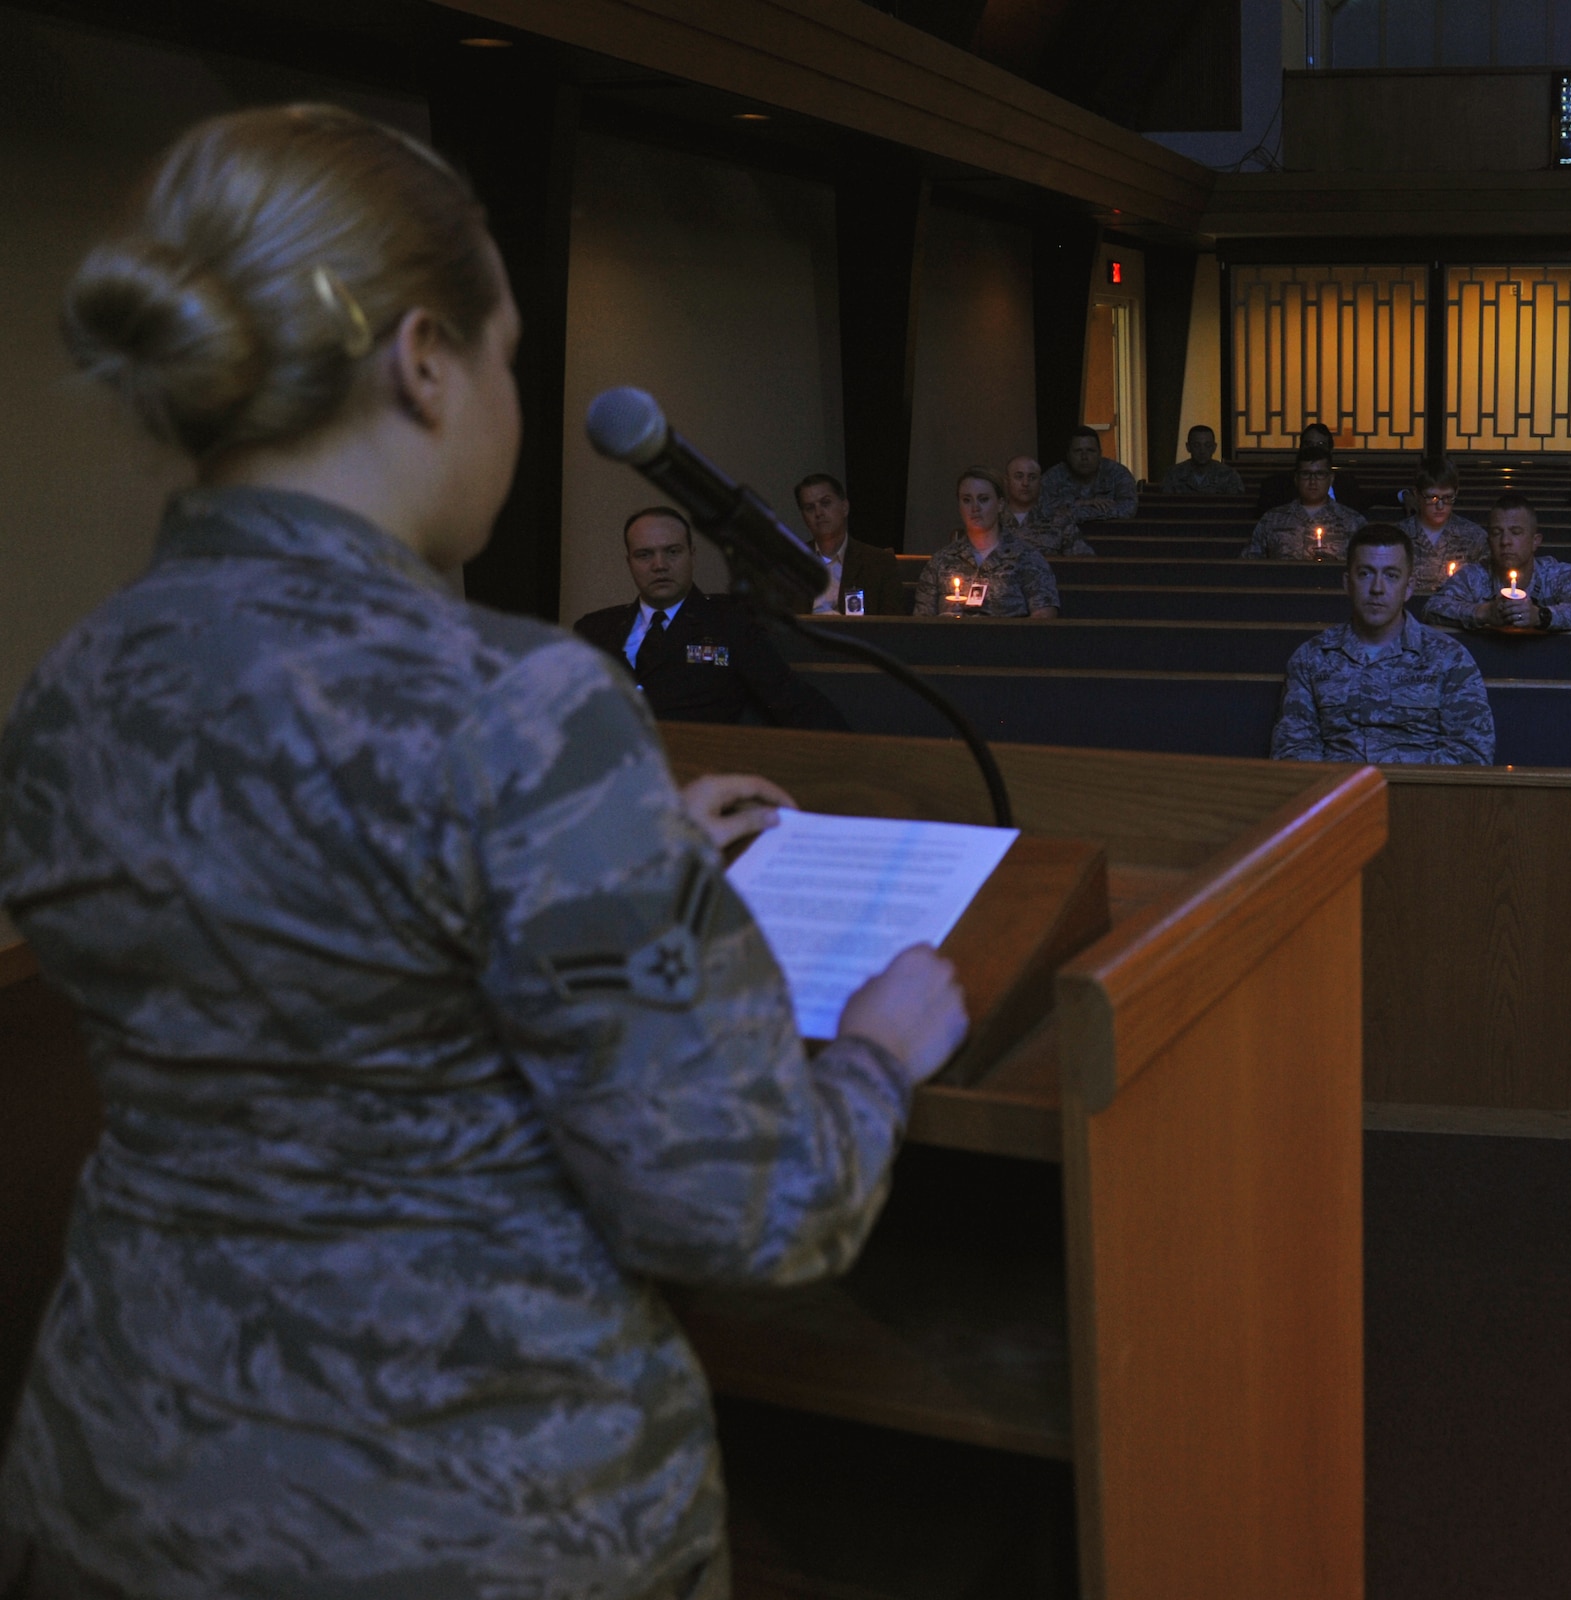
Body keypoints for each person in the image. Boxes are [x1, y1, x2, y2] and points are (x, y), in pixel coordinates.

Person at [0, 104, 970, 1600]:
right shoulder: (522, 704)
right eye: (512, 356)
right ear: (425, 361)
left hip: (124, 1469)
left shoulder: (69, 686)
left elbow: (318, 950)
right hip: (467, 1507)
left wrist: (633, 855)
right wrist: (883, 1059)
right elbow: (746, 1208)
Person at [573, 508, 848, 728]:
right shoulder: (594, 630)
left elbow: (792, 703)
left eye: (672, 552)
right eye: (644, 555)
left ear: (692, 555)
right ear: (629, 562)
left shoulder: (730, 622)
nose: (659, 565)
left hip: (696, 773)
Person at [1270, 524, 1495, 765]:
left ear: (1409, 587)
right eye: (1365, 573)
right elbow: (1293, 751)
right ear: (1347, 583)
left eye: (1391, 575)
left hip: (1420, 796)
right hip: (1337, 796)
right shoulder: (1311, 658)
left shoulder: (1450, 658)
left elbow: (1472, 753)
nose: (1377, 589)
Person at [1424, 491, 1571, 632]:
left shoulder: (1559, 575)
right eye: (1496, 533)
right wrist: (1484, 612)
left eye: (1515, 532)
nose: (1505, 541)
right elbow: (1432, 609)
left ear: (1535, 541)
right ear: (1488, 541)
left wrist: (1539, 616)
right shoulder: (1473, 576)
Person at [915, 466, 1060, 617]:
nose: (975, 508)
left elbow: (1044, 618)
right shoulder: (941, 561)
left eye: (983, 499)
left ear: (1000, 504)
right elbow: (921, 622)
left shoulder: (1026, 558)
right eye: (967, 500)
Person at [792, 472, 909, 614]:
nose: (818, 513)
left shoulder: (878, 563)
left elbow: (893, 625)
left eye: (825, 503)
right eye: (810, 508)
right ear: (803, 516)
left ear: (844, 507)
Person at [1240, 448, 1364, 561]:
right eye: (1306, 474)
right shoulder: (1273, 519)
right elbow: (1251, 562)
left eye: (1319, 474)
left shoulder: (1352, 522)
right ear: (1296, 479)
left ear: (1330, 478)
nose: (1312, 481)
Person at [1397, 458, 1491, 594]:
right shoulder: (1400, 537)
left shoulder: (1474, 537)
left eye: (1447, 498)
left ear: (1456, 493)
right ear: (1417, 494)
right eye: (1432, 498)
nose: (1440, 506)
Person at [1037, 426, 1136, 523]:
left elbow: (1128, 509)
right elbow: (1041, 509)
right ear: (1068, 454)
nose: (1084, 457)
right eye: (1078, 451)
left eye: (1090, 451)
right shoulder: (1053, 476)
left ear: (1100, 454)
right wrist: (1082, 503)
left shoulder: (1118, 473)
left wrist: (1072, 509)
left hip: (1109, 534)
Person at [1001, 454, 1093, 555]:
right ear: (1007, 481)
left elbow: (1085, 562)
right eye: (1019, 477)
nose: (1025, 483)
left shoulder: (1060, 520)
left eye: (1032, 477)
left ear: (1040, 482)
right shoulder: (992, 518)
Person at [1159, 424, 1245, 495]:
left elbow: (1236, 507)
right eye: (1197, 445)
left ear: (1214, 448)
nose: (1202, 451)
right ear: (1188, 447)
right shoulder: (1174, 474)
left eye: (1207, 445)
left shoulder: (1228, 475)